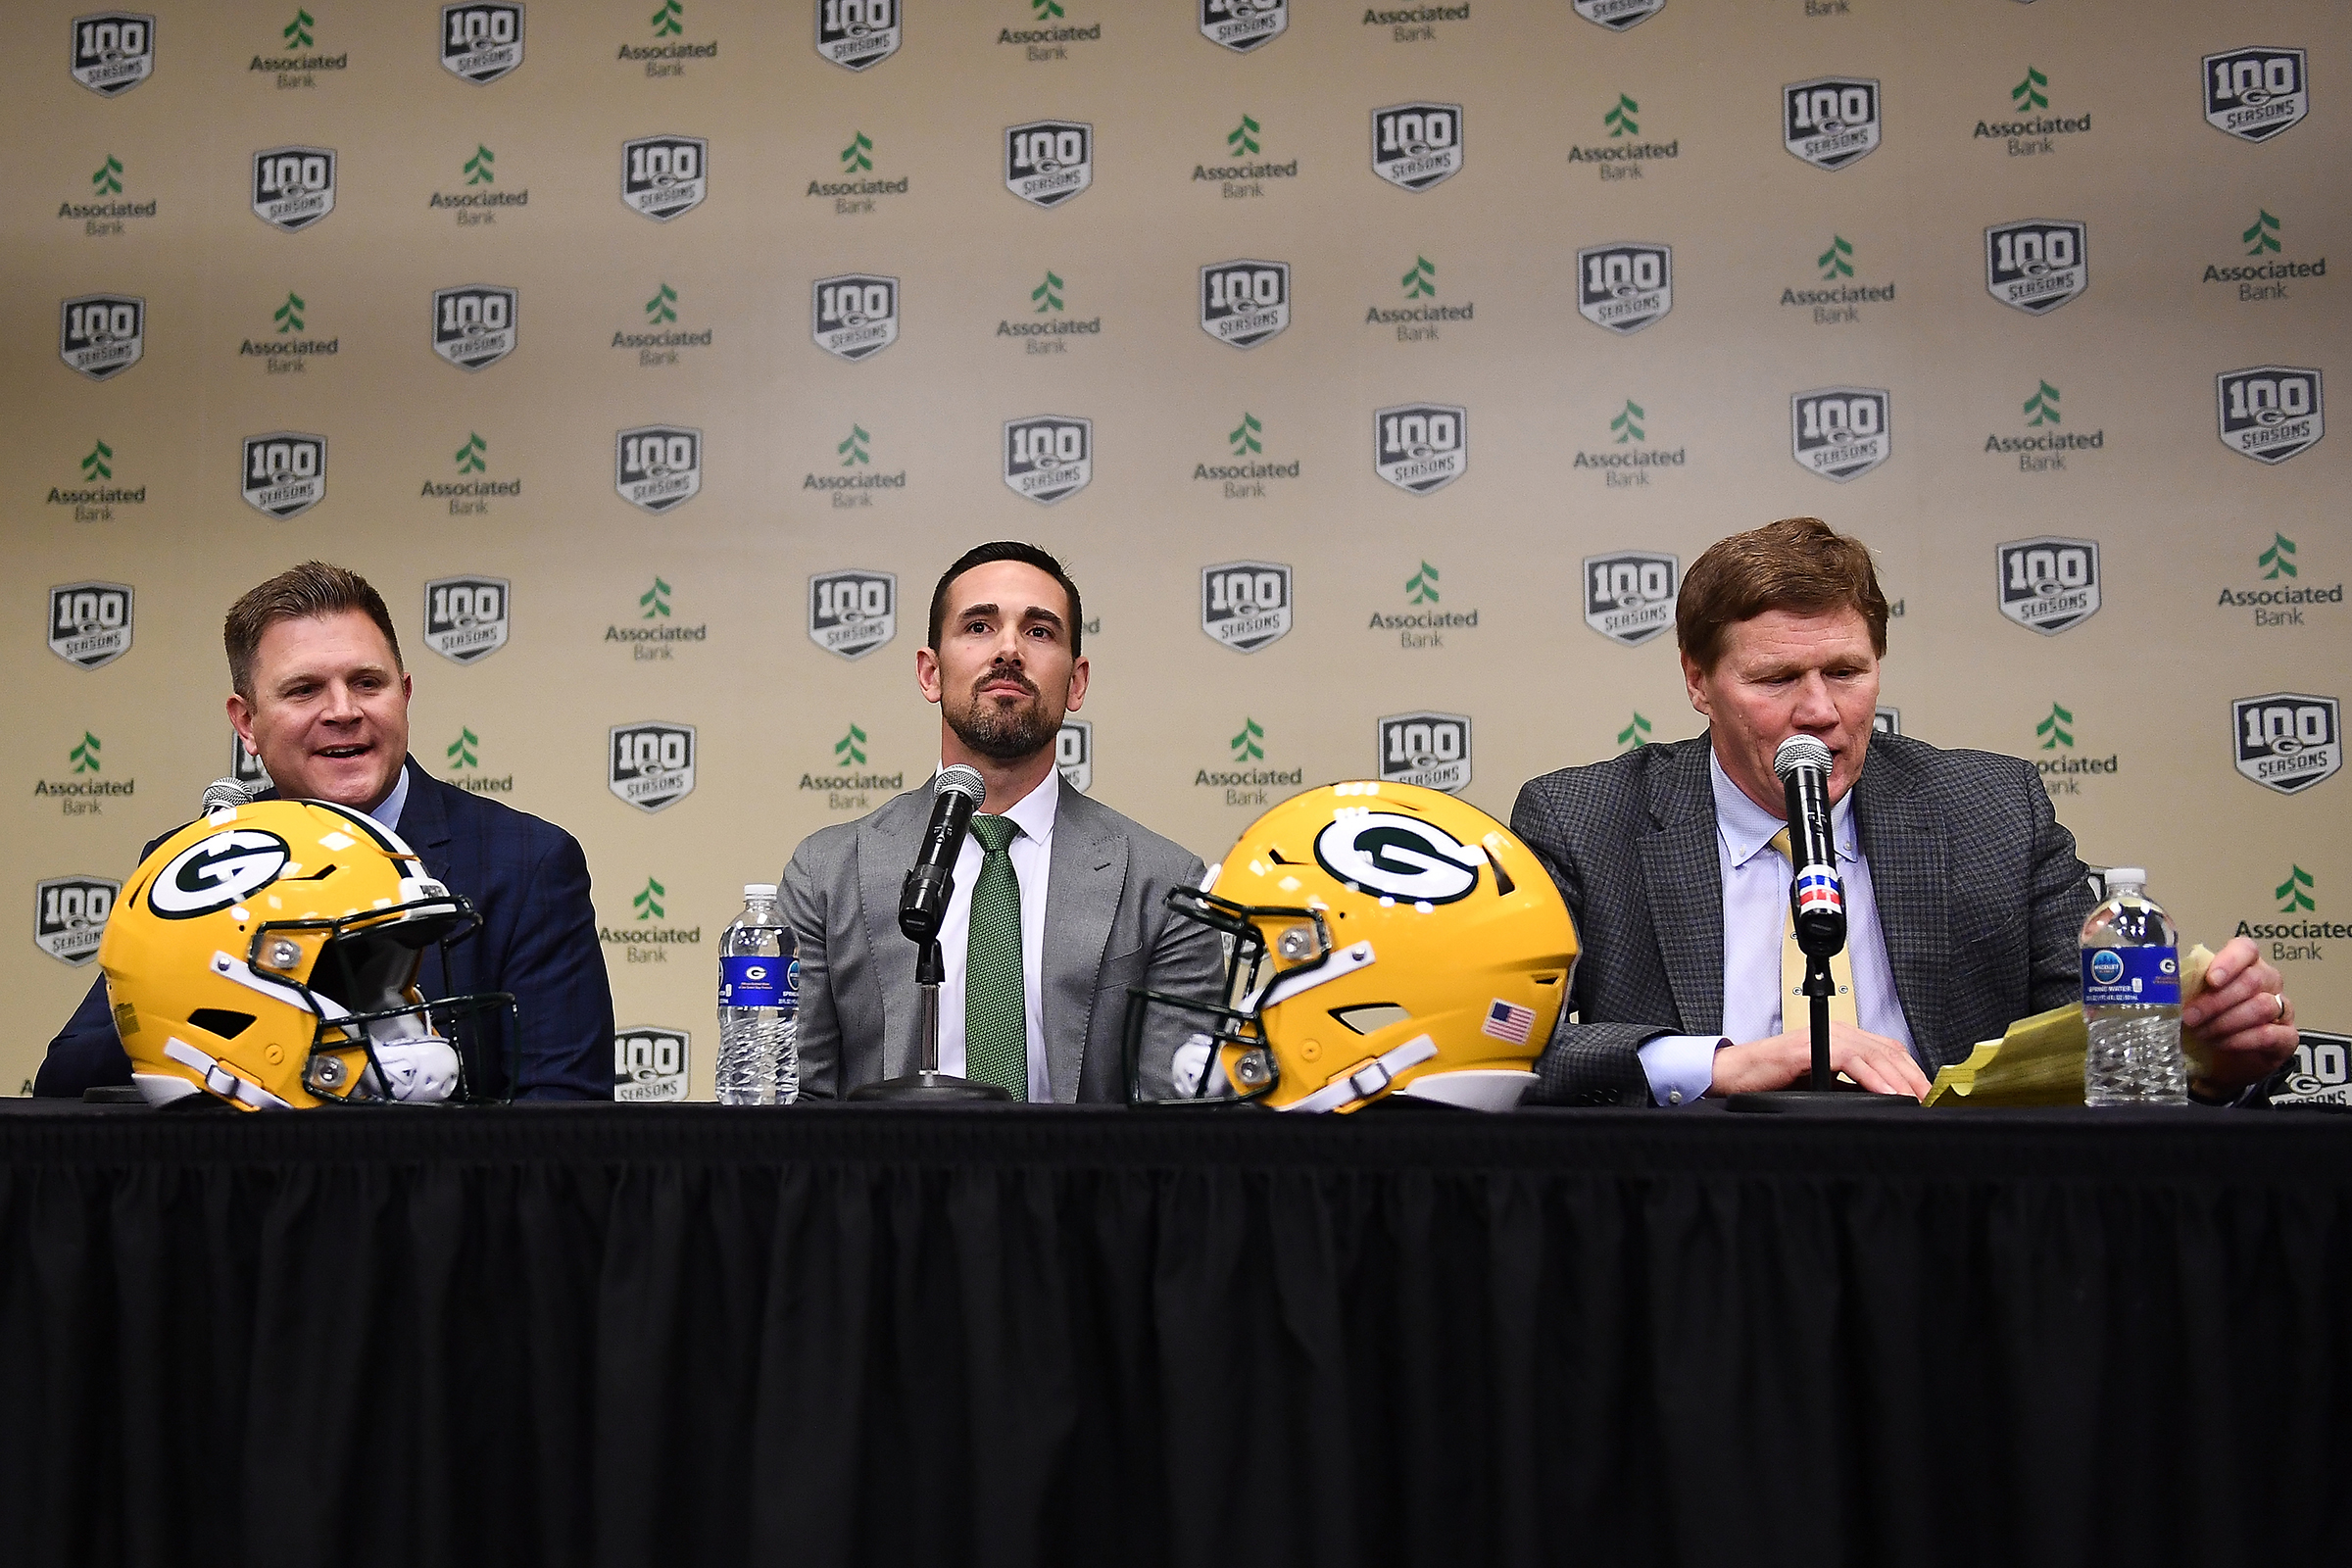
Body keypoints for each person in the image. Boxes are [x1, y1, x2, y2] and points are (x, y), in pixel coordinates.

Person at [1509, 516, 2298, 1106]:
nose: (1819, 711)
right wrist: (1718, 1064)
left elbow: (2086, 1043)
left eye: (1847, 671)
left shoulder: (1994, 811)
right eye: (1776, 679)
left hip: (1947, 1209)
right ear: (1696, 682)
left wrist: (2200, 1061)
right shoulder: (1583, 819)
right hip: (1699, 1207)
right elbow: (1507, 1043)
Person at [37, 562, 614, 1101]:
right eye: (303, 690)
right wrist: (205, 969)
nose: (343, 710)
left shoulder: (528, 862)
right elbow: (65, 1081)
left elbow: (566, 1116)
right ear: (246, 723)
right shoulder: (186, 866)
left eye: (367, 683)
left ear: (405, 696)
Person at [780, 541, 1223, 1102]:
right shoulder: (827, 873)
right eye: (980, 627)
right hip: (885, 1187)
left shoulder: (1164, 883)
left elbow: (1179, 1124)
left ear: (1077, 681)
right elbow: (793, 1113)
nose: (1009, 650)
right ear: (930, 674)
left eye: (1039, 632)